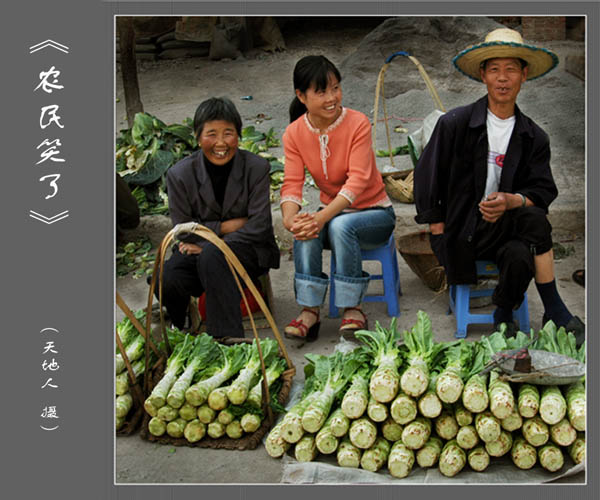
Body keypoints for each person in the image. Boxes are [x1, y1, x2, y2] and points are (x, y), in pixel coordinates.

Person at [414, 28, 585, 345]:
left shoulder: (533, 136)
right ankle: (555, 310)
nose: (503, 78)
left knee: (524, 247)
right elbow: (427, 175)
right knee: (533, 226)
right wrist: (436, 226)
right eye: (495, 69)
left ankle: (503, 313)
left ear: (524, 75)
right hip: (463, 231)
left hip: (510, 230)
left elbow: (543, 193)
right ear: (483, 75)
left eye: (511, 70)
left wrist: (512, 200)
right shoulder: (455, 124)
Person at [280, 55, 396, 341]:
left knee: (338, 225)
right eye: (321, 91)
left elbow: (357, 183)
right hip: (332, 216)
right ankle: (309, 311)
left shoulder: (357, 123)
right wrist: (290, 219)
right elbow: (292, 184)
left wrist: (321, 217)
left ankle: (352, 308)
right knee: (304, 227)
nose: (332, 98)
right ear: (301, 96)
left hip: (375, 213)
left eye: (335, 88)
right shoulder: (294, 134)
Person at [157, 97, 280, 337]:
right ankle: (180, 324)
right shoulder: (179, 174)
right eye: (211, 134)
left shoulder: (256, 168)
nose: (221, 143)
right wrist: (226, 227)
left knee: (213, 256)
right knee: (167, 275)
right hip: (197, 249)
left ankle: (226, 339)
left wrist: (210, 243)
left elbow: (260, 226)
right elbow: (182, 230)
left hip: (249, 250)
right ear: (197, 136)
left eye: (228, 133)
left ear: (239, 135)